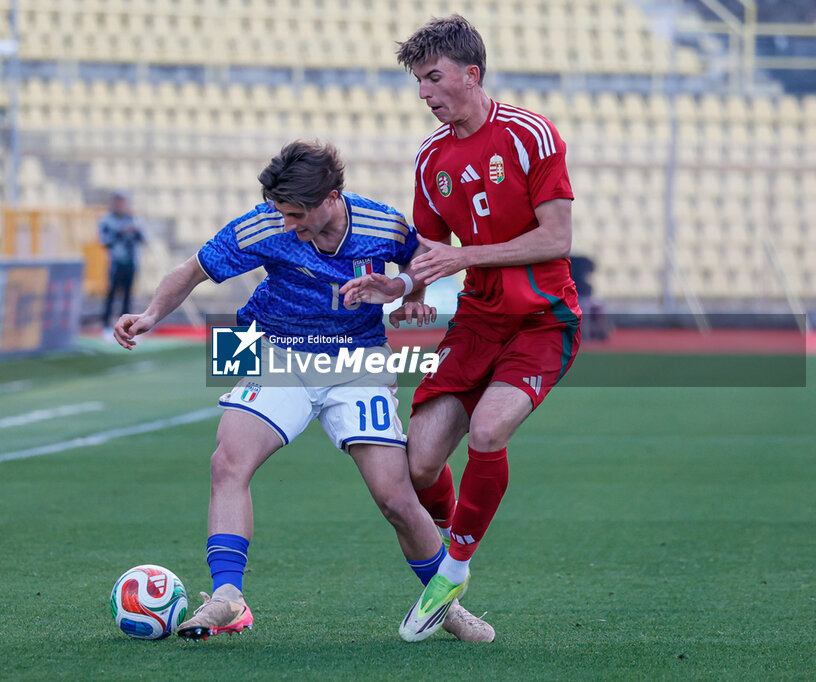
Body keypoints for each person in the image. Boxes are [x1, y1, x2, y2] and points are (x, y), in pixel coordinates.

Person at [114, 141, 492, 643]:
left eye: (296, 214)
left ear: (331, 198)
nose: (287, 224)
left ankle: (446, 605)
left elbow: (420, 258)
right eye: (281, 212)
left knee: (396, 498)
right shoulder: (264, 225)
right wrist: (149, 316)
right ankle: (228, 596)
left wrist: (410, 296)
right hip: (277, 351)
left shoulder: (383, 224)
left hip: (357, 360)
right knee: (228, 462)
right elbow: (192, 270)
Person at [342, 15, 581, 641]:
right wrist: (410, 291)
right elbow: (429, 251)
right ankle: (454, 535)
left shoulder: (529, 135)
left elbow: (557, 238)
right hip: (477, 321)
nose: (424, 93)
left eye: (433, 78)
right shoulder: (431, 158)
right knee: (418, 466)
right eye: (418, 82)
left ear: (471, 74)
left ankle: (452, 569)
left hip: (541, 318)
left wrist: (465, 257)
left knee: (489, 428)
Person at [98, 191, 144, 334]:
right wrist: (120, 231)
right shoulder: (107, 220)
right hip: (115, 262)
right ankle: (106, 326)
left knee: (128, 296)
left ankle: (127, 328)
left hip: (131, 262)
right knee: (111, 295)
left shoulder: (133, 219)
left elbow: (143, 238)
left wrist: (134, 230)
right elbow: (104, 241)